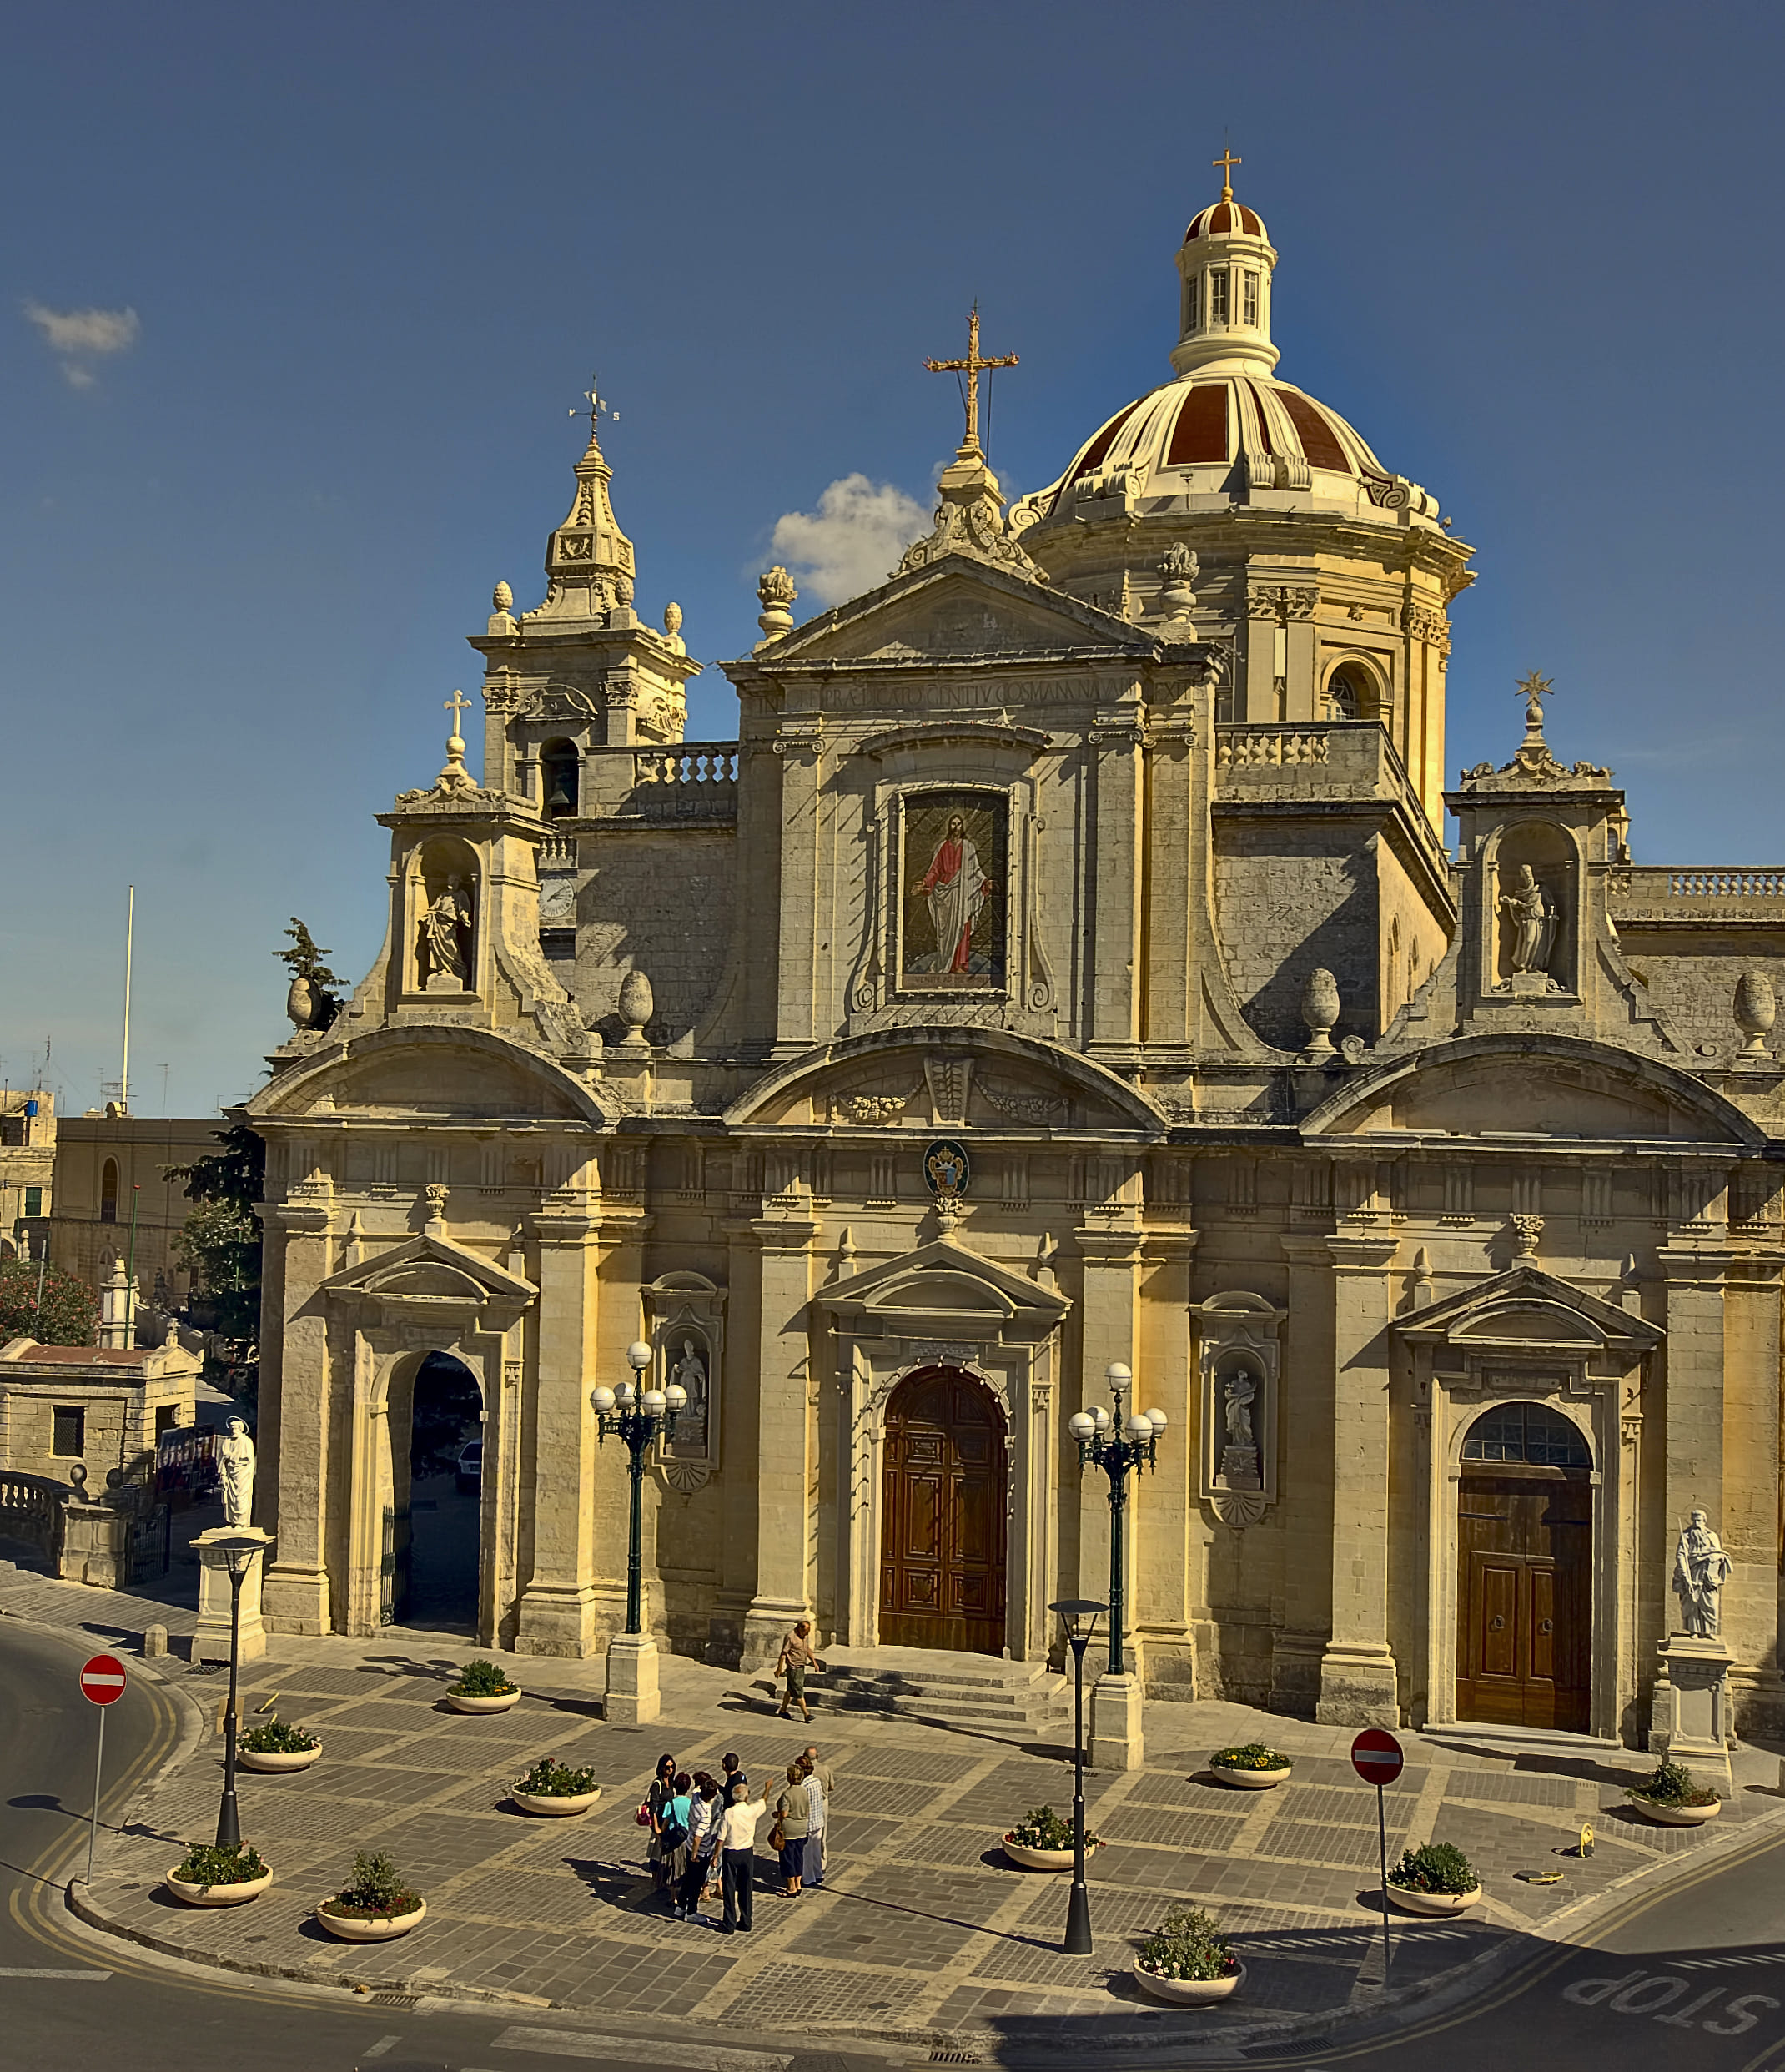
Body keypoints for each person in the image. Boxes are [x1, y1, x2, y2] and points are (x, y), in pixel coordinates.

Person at [716, 1776, 765, 1934]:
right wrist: (768, 1788)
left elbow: (721, 1838)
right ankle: (746, 1920)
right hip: (747, 1853)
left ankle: (729, 1923)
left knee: (729, 1888)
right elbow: (763, 1802)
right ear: (746, 1796)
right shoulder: (751, 1810)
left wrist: (715, 1856)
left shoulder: (729, 1813)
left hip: (731, 1853)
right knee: (746, 1887)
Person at [681, 1775, 722, 1921]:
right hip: (700, 1851)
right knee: (696, 1882)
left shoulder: (695, 1796)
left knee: (687, 1878)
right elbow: (699, 1836)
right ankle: (691, 1912)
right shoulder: (706, 1814)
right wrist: (695, 1855)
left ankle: (680, 1907)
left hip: (689, 1843)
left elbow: (698, 1788)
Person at [773, 1761, 812, 1898]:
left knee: (787, 1858)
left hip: (790, 1830)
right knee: (798, 1856)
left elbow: (784, 1813)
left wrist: (777, 1815)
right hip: (802, 1827)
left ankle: (791, 1887)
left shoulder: (787, 1794)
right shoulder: (805, 1791)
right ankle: (798, 1883)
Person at [658, 1771, 694, 1916]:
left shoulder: (671, 1804)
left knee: (672, 1868)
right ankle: (684, 1894)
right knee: (684, 1868)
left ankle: (673, 1897)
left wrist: (660, 1832)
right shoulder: (690, 1804)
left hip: (673, 1841)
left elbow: (665, 1823)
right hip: (686, 1840)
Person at [799, 1743, 834, 1888]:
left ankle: (810, 1873)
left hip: (810, 1808)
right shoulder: (825, 1768)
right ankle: (821, 1865)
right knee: (821, 1837)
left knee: (808, 1844)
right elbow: (832, 1786)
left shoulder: (805, 1775)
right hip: (823, 1803)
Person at [775, 1620, 824, 1722]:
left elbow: (807, 1650)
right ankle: (806, 1715)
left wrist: (814, 1662)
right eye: (806, 1631)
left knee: (790, 1690)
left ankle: (783, 1710)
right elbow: (783, 1654)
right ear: (800, 1629)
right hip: (793, 1668)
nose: (807, 1634)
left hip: (801, 1667)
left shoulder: (803, 1636)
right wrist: (779, 1669)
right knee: (799, 1692)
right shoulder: (790, 1637)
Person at [645, 1753, 678, 1895]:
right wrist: (656, 1826)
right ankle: (655, 1878)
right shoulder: (657, 1784)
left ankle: (661, 1878)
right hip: (658, 1819)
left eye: (672, 1767)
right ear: (661, 1768)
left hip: (668, 1821)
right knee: (656, 1849)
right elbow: (653, 1806)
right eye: (667, 1767)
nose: (670, 1770)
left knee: (664, 1849)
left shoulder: (671, 1783)